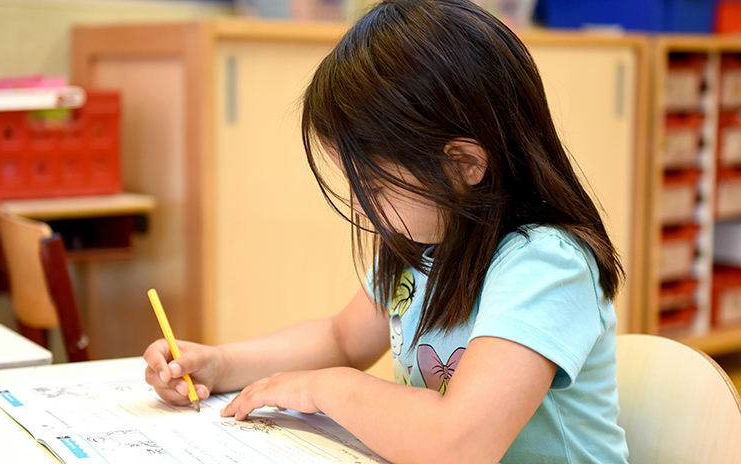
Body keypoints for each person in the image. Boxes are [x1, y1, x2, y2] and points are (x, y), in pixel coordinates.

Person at [143, 0, 630, 462]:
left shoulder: (546, 264)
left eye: (373, 185)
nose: (359, 205)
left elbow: (460, 444)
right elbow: (340, 339)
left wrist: (323, 386)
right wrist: (219, 364)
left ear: (465, 164)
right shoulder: (423, 245)